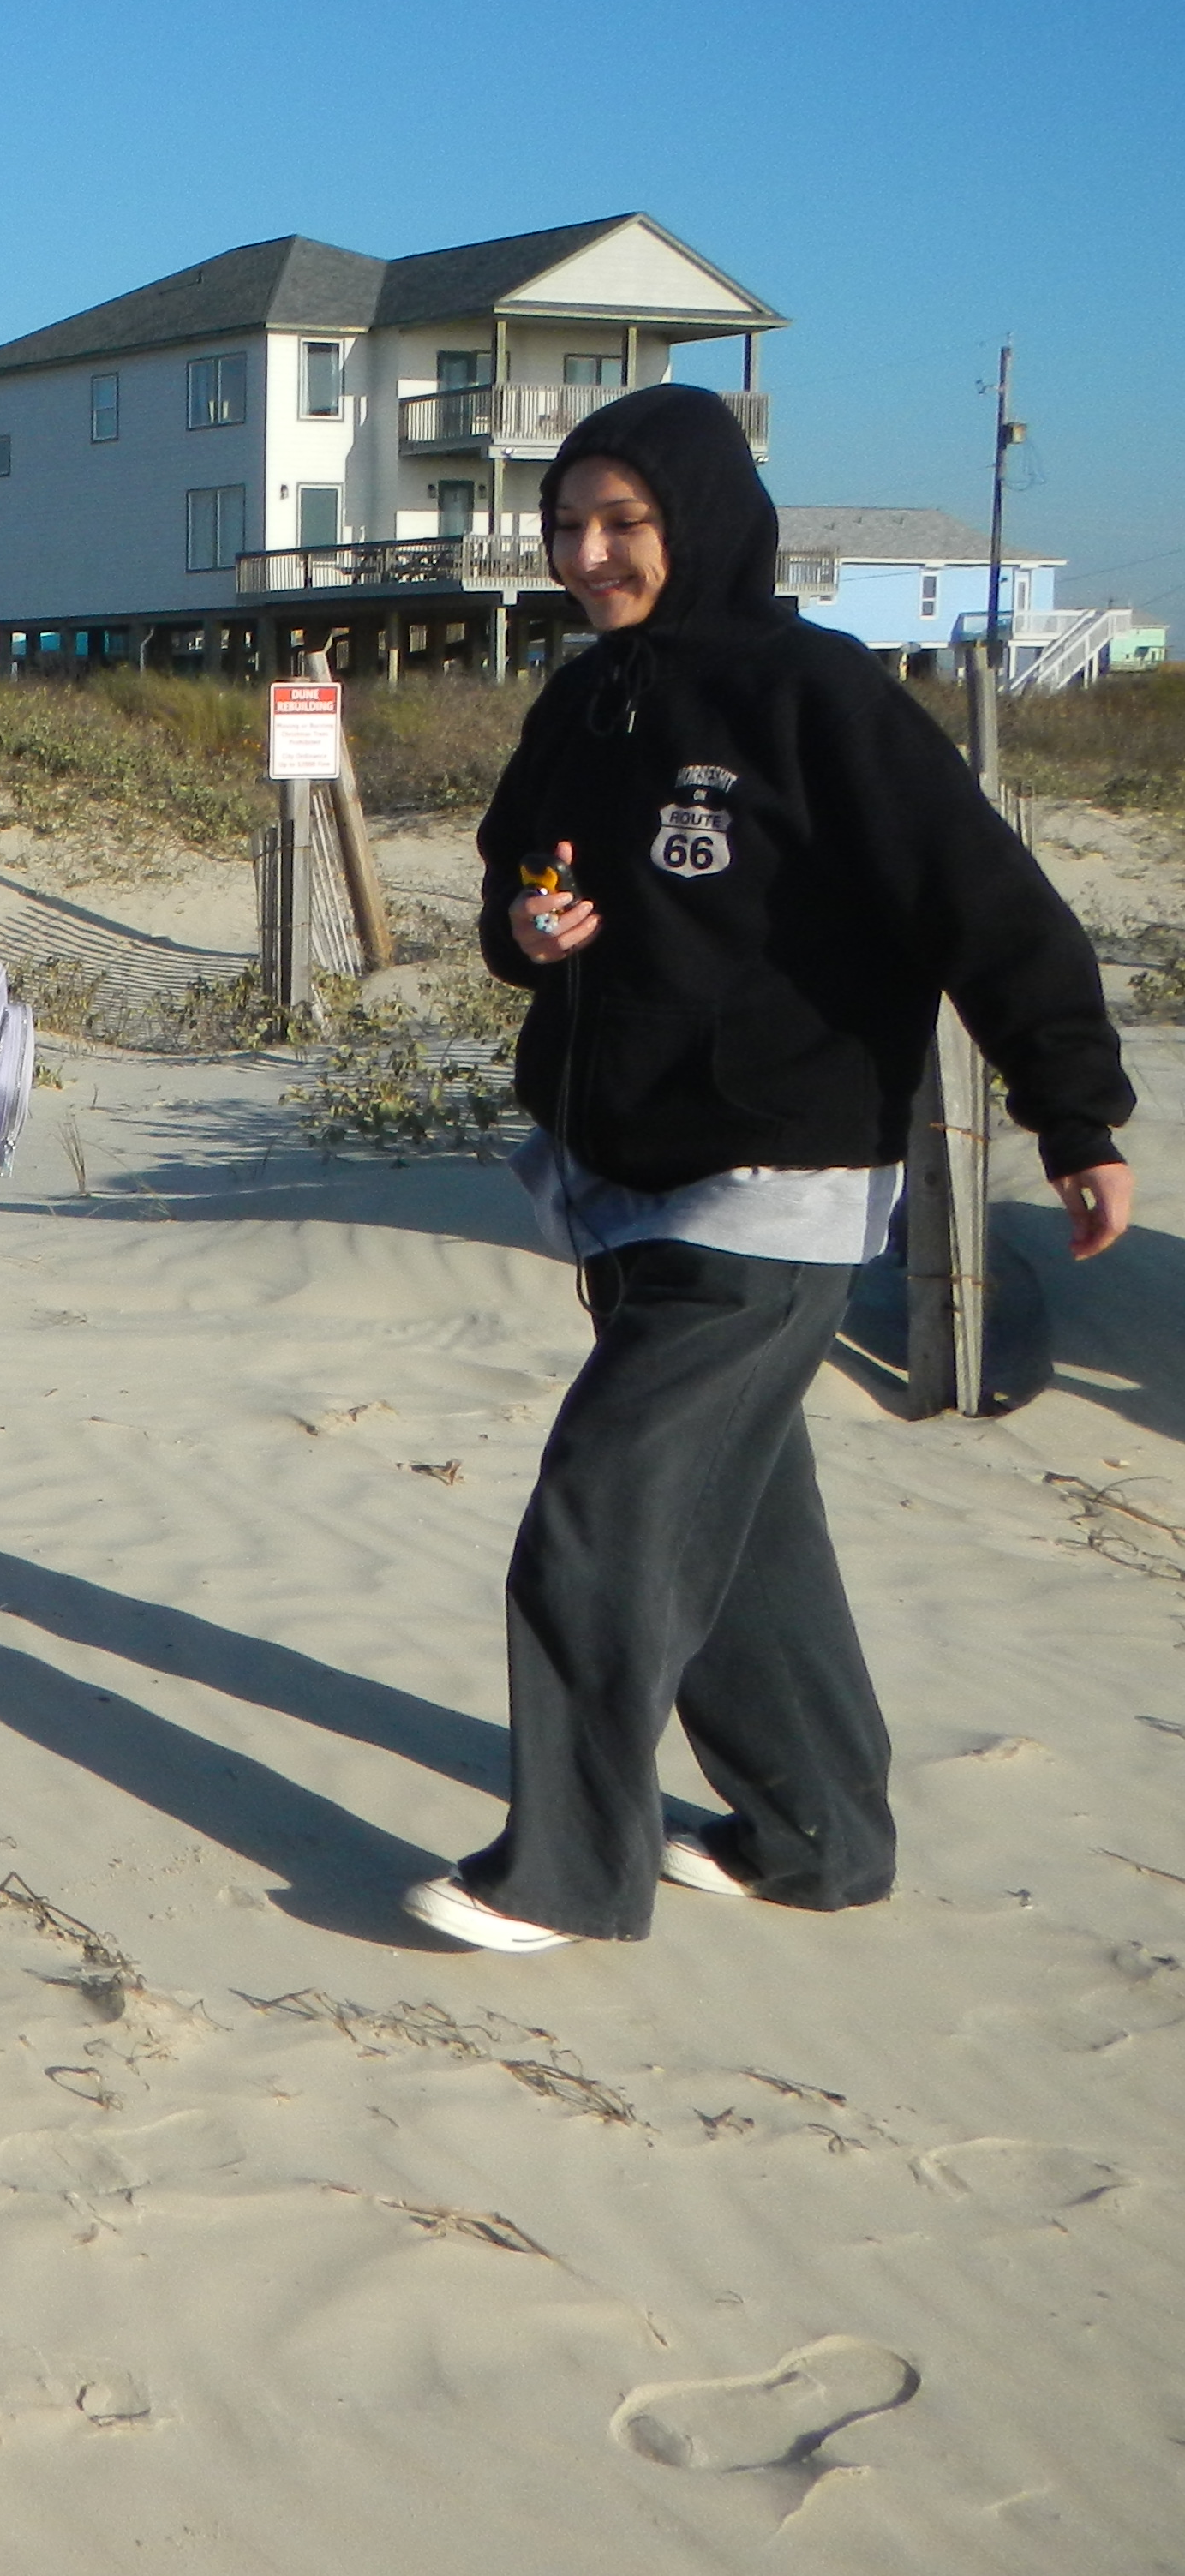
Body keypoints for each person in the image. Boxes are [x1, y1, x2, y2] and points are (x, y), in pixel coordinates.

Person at [410, 382, 1138, 1954]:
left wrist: (1075, 1118)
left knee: (605, 1515)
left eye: (624, 524)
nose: (591, 554)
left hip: (779, 1180)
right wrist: (528, 933)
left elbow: (988, 910)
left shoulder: (820, 697)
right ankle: (816, 1831)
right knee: (733, 1527)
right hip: (614, 1176)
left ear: (701, 520)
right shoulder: (582, 702)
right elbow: (513, 890)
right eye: (568, 528)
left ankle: (565, 1872)